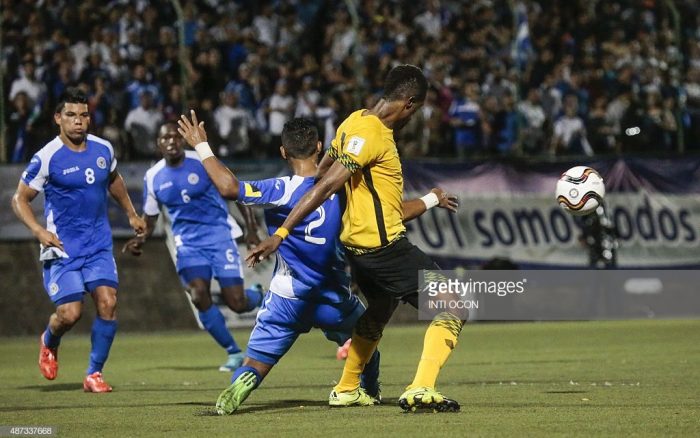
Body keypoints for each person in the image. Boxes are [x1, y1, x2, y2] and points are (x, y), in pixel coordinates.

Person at [245, 65, 463, 412]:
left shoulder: (352, 122)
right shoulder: (370, 133)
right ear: (408, 103)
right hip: (384, 249)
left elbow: (328, 173)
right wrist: (283, 232)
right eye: (417, 109)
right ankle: (421, 387)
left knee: (377, 311)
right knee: (453, 304)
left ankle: (347, 389)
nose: (415, 117)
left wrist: (432, 199)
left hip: (360, 252)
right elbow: (327, 182)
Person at [176, 115, 381, 415]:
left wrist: (202, 146)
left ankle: (241, 383)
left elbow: (229, 188)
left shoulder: (280, 190)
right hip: (333, 296)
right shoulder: (340, 186)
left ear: (283, 152)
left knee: (256, 362)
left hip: (287, 297)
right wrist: (430, 199)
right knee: (367, 339)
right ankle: (369, 391)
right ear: (320, 147)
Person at [11, 88, 146, 393]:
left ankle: (93, 374)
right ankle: (49, 340)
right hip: (62, 249)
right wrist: (38, 231)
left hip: (98, 245)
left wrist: (132, 214)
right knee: (70, 314)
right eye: (71, 115)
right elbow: (19, 199)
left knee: (108, 303)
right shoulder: (46, 158)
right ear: (58, 118)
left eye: (83, 115)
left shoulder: (103, 149)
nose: (78, 122)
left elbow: (114, 180)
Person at [122, 122, 264, 372]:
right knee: (199, 295)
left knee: (237, 303)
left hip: (219, 236)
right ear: (158, 144)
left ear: (182, 140)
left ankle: (258, 294)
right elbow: (151, 218)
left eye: (176, 137)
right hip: (187, 244)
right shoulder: (153, 176)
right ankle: (233, 352)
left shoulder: (202, 161)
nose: (171, 142)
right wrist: (141, 238)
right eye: (165, 138)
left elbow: (236, 191)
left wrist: (251, 229)